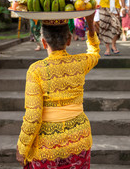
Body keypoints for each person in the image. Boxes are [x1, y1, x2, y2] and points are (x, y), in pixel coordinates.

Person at [16, 12, 100, 169]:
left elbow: (33, 116)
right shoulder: (80, 62)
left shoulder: (36, 70)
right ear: (69, 40)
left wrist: (22, 148)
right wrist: (90, 25)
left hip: (48, 144)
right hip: (79, 138)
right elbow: (95, 51)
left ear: (43, 42)